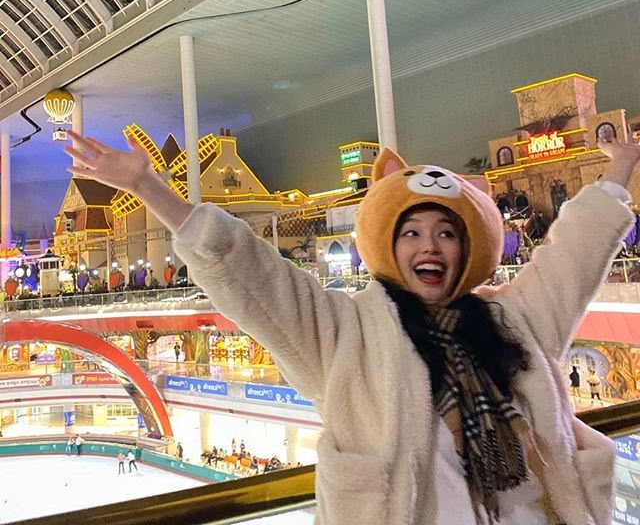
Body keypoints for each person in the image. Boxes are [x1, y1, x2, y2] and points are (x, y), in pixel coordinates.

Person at [65, 130, 640, 525]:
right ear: (387, 244)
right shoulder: (348, 333)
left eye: (446, 231)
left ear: (469, 246)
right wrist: (148, 188)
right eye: (411, 232)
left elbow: (574, 256)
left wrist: (622, 165)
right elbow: (254, 275)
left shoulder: (512, 322)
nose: (429, 245)